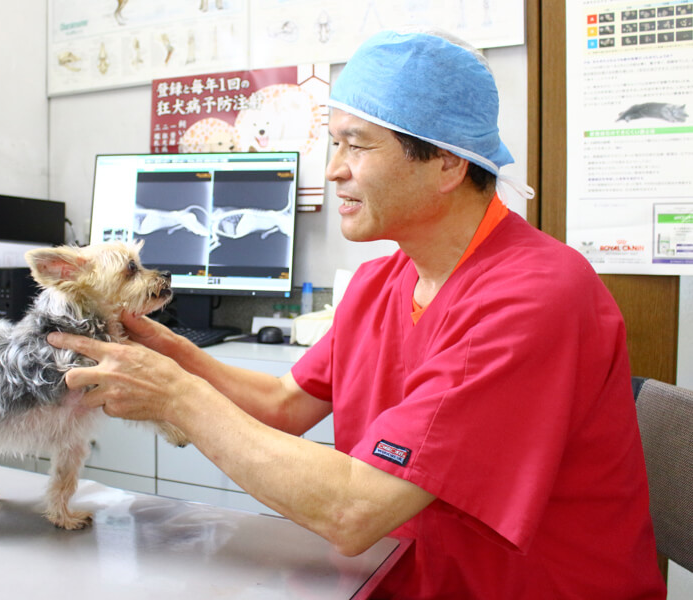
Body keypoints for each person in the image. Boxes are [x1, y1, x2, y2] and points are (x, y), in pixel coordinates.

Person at [48, 30, 666, 599]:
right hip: (399, 579)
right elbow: (286, 403)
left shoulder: (533, 295)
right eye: (333, 142)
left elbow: (353, 512)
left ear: (448, 163)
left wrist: (177, 398)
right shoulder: (382, 281)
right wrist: (165, 349)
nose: (334, 167)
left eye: (357, 145)